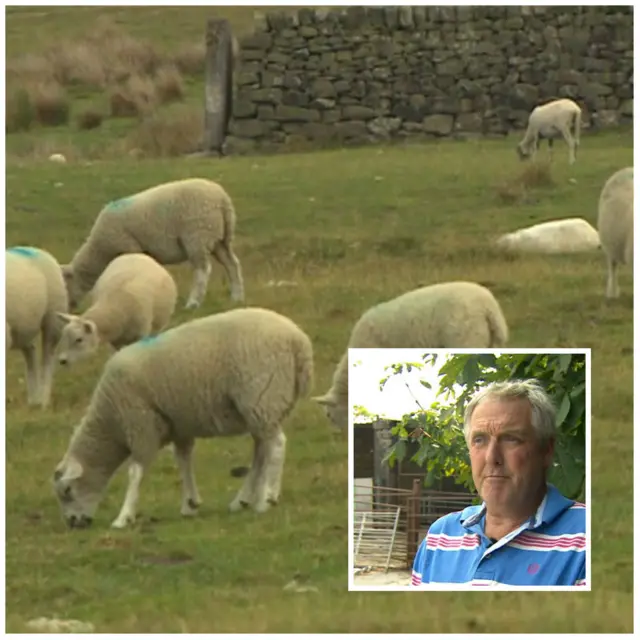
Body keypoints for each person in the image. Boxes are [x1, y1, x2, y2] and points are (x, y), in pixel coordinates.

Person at [411, 379, 586, 587]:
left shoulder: (587, 539)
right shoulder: (440, 537)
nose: (491, 457)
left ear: (546, 451)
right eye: (479, 440)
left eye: (510, 438)